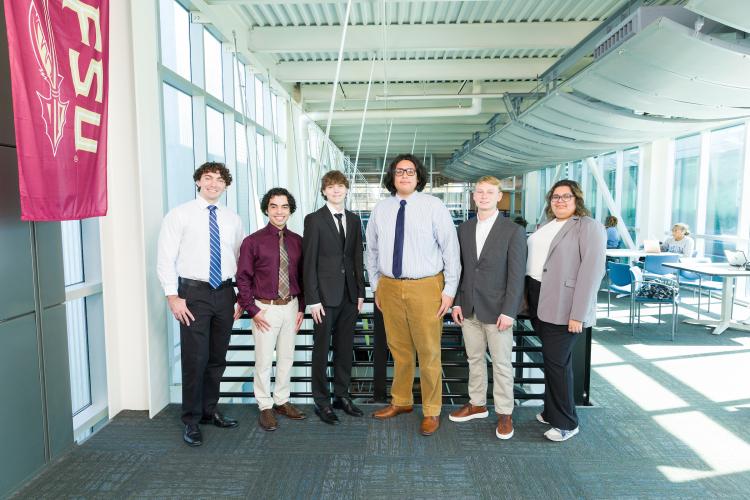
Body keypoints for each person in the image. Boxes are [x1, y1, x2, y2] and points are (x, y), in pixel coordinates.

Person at [366, 153, 461, 436]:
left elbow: (450, 250)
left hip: (426, 287)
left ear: (418, 177)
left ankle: (432, 410)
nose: (404, 176)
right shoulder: (381, 209)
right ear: (392, 177)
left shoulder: (434, 206)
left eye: (410, 171)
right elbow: (370, 250)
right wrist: (375, 286)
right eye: (399, 171)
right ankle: (402, 401)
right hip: (390, 286)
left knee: (429, 352)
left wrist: (449, 291)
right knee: (400, 350)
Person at [157, 162, 244, 447]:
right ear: (198, 181)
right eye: (208, 178)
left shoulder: (233, 218)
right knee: (195, 359)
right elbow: (165, 258)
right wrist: (172, 296)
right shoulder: (179, 215)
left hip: (224, 293)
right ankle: (191, 420)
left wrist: (239, 295)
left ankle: (209, 410)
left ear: (226, 185)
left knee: (217, 357)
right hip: (193, 294)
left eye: (220, 180)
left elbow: (237, 258)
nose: (213, 184)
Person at [525, 179, 605, 442]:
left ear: (577, 199)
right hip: (539, 300)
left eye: (566, 196)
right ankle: (551, 411)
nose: (559, 201)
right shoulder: (548, 225)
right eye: (555, 197)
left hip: (565, 305)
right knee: (553, 361)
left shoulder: (588, 227)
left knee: (557, 364)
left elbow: (592, 272)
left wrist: (577, 314)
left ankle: (567, 423)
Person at [450, 176, 527, 440]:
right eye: (479, 192)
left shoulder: (513, 231)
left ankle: (504, 413)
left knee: (502, 364)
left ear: (498, 197)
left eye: (489, 192)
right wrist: (457, 302)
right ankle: (477, 404)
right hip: (468, 307)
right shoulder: (463, 229)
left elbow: (517, 276)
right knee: (474, 359)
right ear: (473, 196)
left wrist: (509, 311)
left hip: (498, 312)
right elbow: (459, 270)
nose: (483, 196)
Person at [236, 188, 306, 431]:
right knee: (264, 360)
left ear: (290, 210)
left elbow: (303, 277)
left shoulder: (298, 241)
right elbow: (242, 279)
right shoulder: (252, 242)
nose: (279, 211)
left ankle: (282, 401)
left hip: (291, 307)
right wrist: (253, 310)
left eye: (284, 206)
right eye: (274, 206)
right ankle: (265, 406)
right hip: (265, 309)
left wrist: (302, 308)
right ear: (267, 209)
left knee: (286, 358)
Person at [303, 170, 366, 425]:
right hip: (324, 299)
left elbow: (356, 259)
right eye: (331, 187)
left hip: (350, 295)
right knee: (321, 350)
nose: (336, 190)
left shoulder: (353, 219)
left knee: (344, 348)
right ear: (324, 191)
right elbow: (308, 263)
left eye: (340, 186)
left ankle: (341, 395)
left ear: (346, 189)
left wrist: (361, 292)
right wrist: (313, 299)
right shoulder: (314, 220)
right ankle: (322, 401)